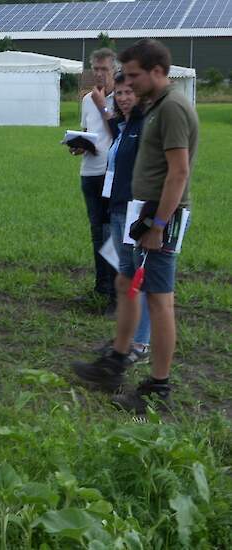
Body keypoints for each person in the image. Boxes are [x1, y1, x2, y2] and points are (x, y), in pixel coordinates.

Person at [73, 39, 198, 414]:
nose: (126, 82)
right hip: (137, 211)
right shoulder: (153, 106)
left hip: (160, 216)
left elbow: (179, 172)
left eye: (133, 75)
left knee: (160, 301)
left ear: (158, 71)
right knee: (126, 282)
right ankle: (116, 361)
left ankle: (158, 388)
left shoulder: (173, 108)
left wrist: (159, 224)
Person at [98, 71, 151, 363]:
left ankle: (140, 344)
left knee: (137, 277)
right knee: (125, 274)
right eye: (118, 93)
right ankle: (126, 338)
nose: (123, 98)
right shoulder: (125, 126)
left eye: (129, 92)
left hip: (135, 210)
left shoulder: (144, 126)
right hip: (118, 206)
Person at [71, 48, 117, 315]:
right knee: (97, 232)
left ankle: (114, 292)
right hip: (89, 172)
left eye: (104, 70)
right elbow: (89, 132)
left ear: (114, 71)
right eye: (96, 69)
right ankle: (100, 287)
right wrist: (78, 145)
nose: (99, 74)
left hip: (111, 175)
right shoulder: (87, 99)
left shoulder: (121, 98)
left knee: (112, 233)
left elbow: (117, 132)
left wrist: (103, 106)